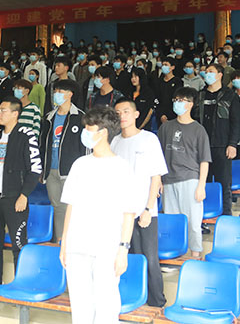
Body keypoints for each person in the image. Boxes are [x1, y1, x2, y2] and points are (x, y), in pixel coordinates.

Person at [59, 106, 140, 323]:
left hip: (107, 247)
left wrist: (123, 250)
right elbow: (70, 206)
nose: (84, 133)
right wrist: (65, 242)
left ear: (103, 133)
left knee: (106, 307)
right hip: (77, 246)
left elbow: (129, 213)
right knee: (80, 307)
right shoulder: (80, 164)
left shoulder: (121, 167)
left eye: (89, 129)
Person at [112, 98, 168, 307]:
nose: (122, 116)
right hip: (121, 213)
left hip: (145, 211)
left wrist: (148, 209)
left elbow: (156, 177)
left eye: (126, 111)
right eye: (118, 113)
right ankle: (135, 299)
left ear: (136, 114)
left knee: (150, 259)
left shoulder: (149, 139)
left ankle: (157, 302)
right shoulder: (114, 142)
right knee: (130, 257)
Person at [0, 96, 42, 285]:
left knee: (18, 243)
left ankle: (20, 283)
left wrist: (24, 195)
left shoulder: (26, 135)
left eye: (3, 110)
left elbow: (35, 169)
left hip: (15, 198)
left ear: (15, 113)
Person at [159, 87, 211, 258]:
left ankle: (195, 255)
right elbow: (158, 156)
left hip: (190, 179)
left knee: (193, 221)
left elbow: (204, 160)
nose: (177, 103)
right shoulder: (166, 127)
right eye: (176, 100)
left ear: (190, 104)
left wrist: (201, 185)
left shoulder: (199, 130)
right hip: (168, 180)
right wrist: (158, 179)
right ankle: (175, 255)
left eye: (181, 100)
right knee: (171, 222)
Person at [39, 79, 87, 242]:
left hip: (70, 171)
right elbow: (42, 144)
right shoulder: (49, 117)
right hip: (51, 170)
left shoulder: (80, 117)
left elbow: (85, 147)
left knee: (71, 206)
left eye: (60, 92)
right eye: (55, 92)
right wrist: (42, 168)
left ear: (70, 94)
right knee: (57, 207)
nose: (56, 95)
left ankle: (72, 241)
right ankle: (59, 241)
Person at [193, 64, 240, 216]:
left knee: (224, 183)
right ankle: (202, 216)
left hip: (222, 145)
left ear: (220, 75)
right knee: (203, 183)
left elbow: (237, 122)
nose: (207, 74)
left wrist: (232, 144)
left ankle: (226, 216)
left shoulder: (230, 96)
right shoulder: (200, 96)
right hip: (202, 147)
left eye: (211, 71)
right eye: (206, 71)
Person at [153, 58, 183, 126]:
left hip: (173, 115)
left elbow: (177, 99)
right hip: (160, 116)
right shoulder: (159, 82)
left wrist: (168, 115)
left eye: (166, 65)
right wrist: (161, 115)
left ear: (172, 67)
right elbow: (157, 99)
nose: (164, 67)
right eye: (163, 65)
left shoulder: (178, 81)